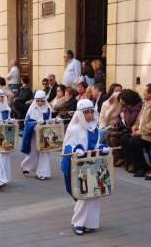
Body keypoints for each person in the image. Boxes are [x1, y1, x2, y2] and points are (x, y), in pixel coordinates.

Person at [61, 99, 110, 235]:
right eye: (86, 112)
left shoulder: (95, 128)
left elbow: (95, 146)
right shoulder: (73, 129)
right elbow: (67, 147)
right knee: (84, 194)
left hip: (93, 165)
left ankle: (90, 222)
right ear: (80, 114)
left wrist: (102, 148)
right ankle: (78, 222)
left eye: (91, 112)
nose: (89, 115)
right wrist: (76, 149)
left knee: (94, 194)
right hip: (79, 167)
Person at [120, 83, 151, 176]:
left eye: (145, 91)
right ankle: (135, 164)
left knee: (134, 141)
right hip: (144, 132)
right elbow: (139, 119)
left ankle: (142, 167)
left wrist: (138, 132)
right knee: (124, 139)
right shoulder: (145, 104)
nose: (143, 93)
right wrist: (135, 128)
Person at [21, 91, 54, 180]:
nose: (40, 103)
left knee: (45, 153)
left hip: (45, 134)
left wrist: (54, 121)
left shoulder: (48, 109)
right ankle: (25, 166)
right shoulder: (32, 109)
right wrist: (36, 123)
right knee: (33, 153)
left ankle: (42, 173)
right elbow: (27, 121)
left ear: (45, 101)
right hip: (34, 134)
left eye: (42, 101)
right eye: (38, 101)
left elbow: (50, 120)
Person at [105, 89, 142, 166]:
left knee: (114, 139)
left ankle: (125, 158)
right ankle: (119, 158)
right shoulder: (125, 103)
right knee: (107, 136)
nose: (120, 102)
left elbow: (130, 121)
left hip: (131, 128)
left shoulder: (137, 106)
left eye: (122, 100)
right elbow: (120, 116)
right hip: (123, 127)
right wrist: (115, 123)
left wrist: (125, 108)